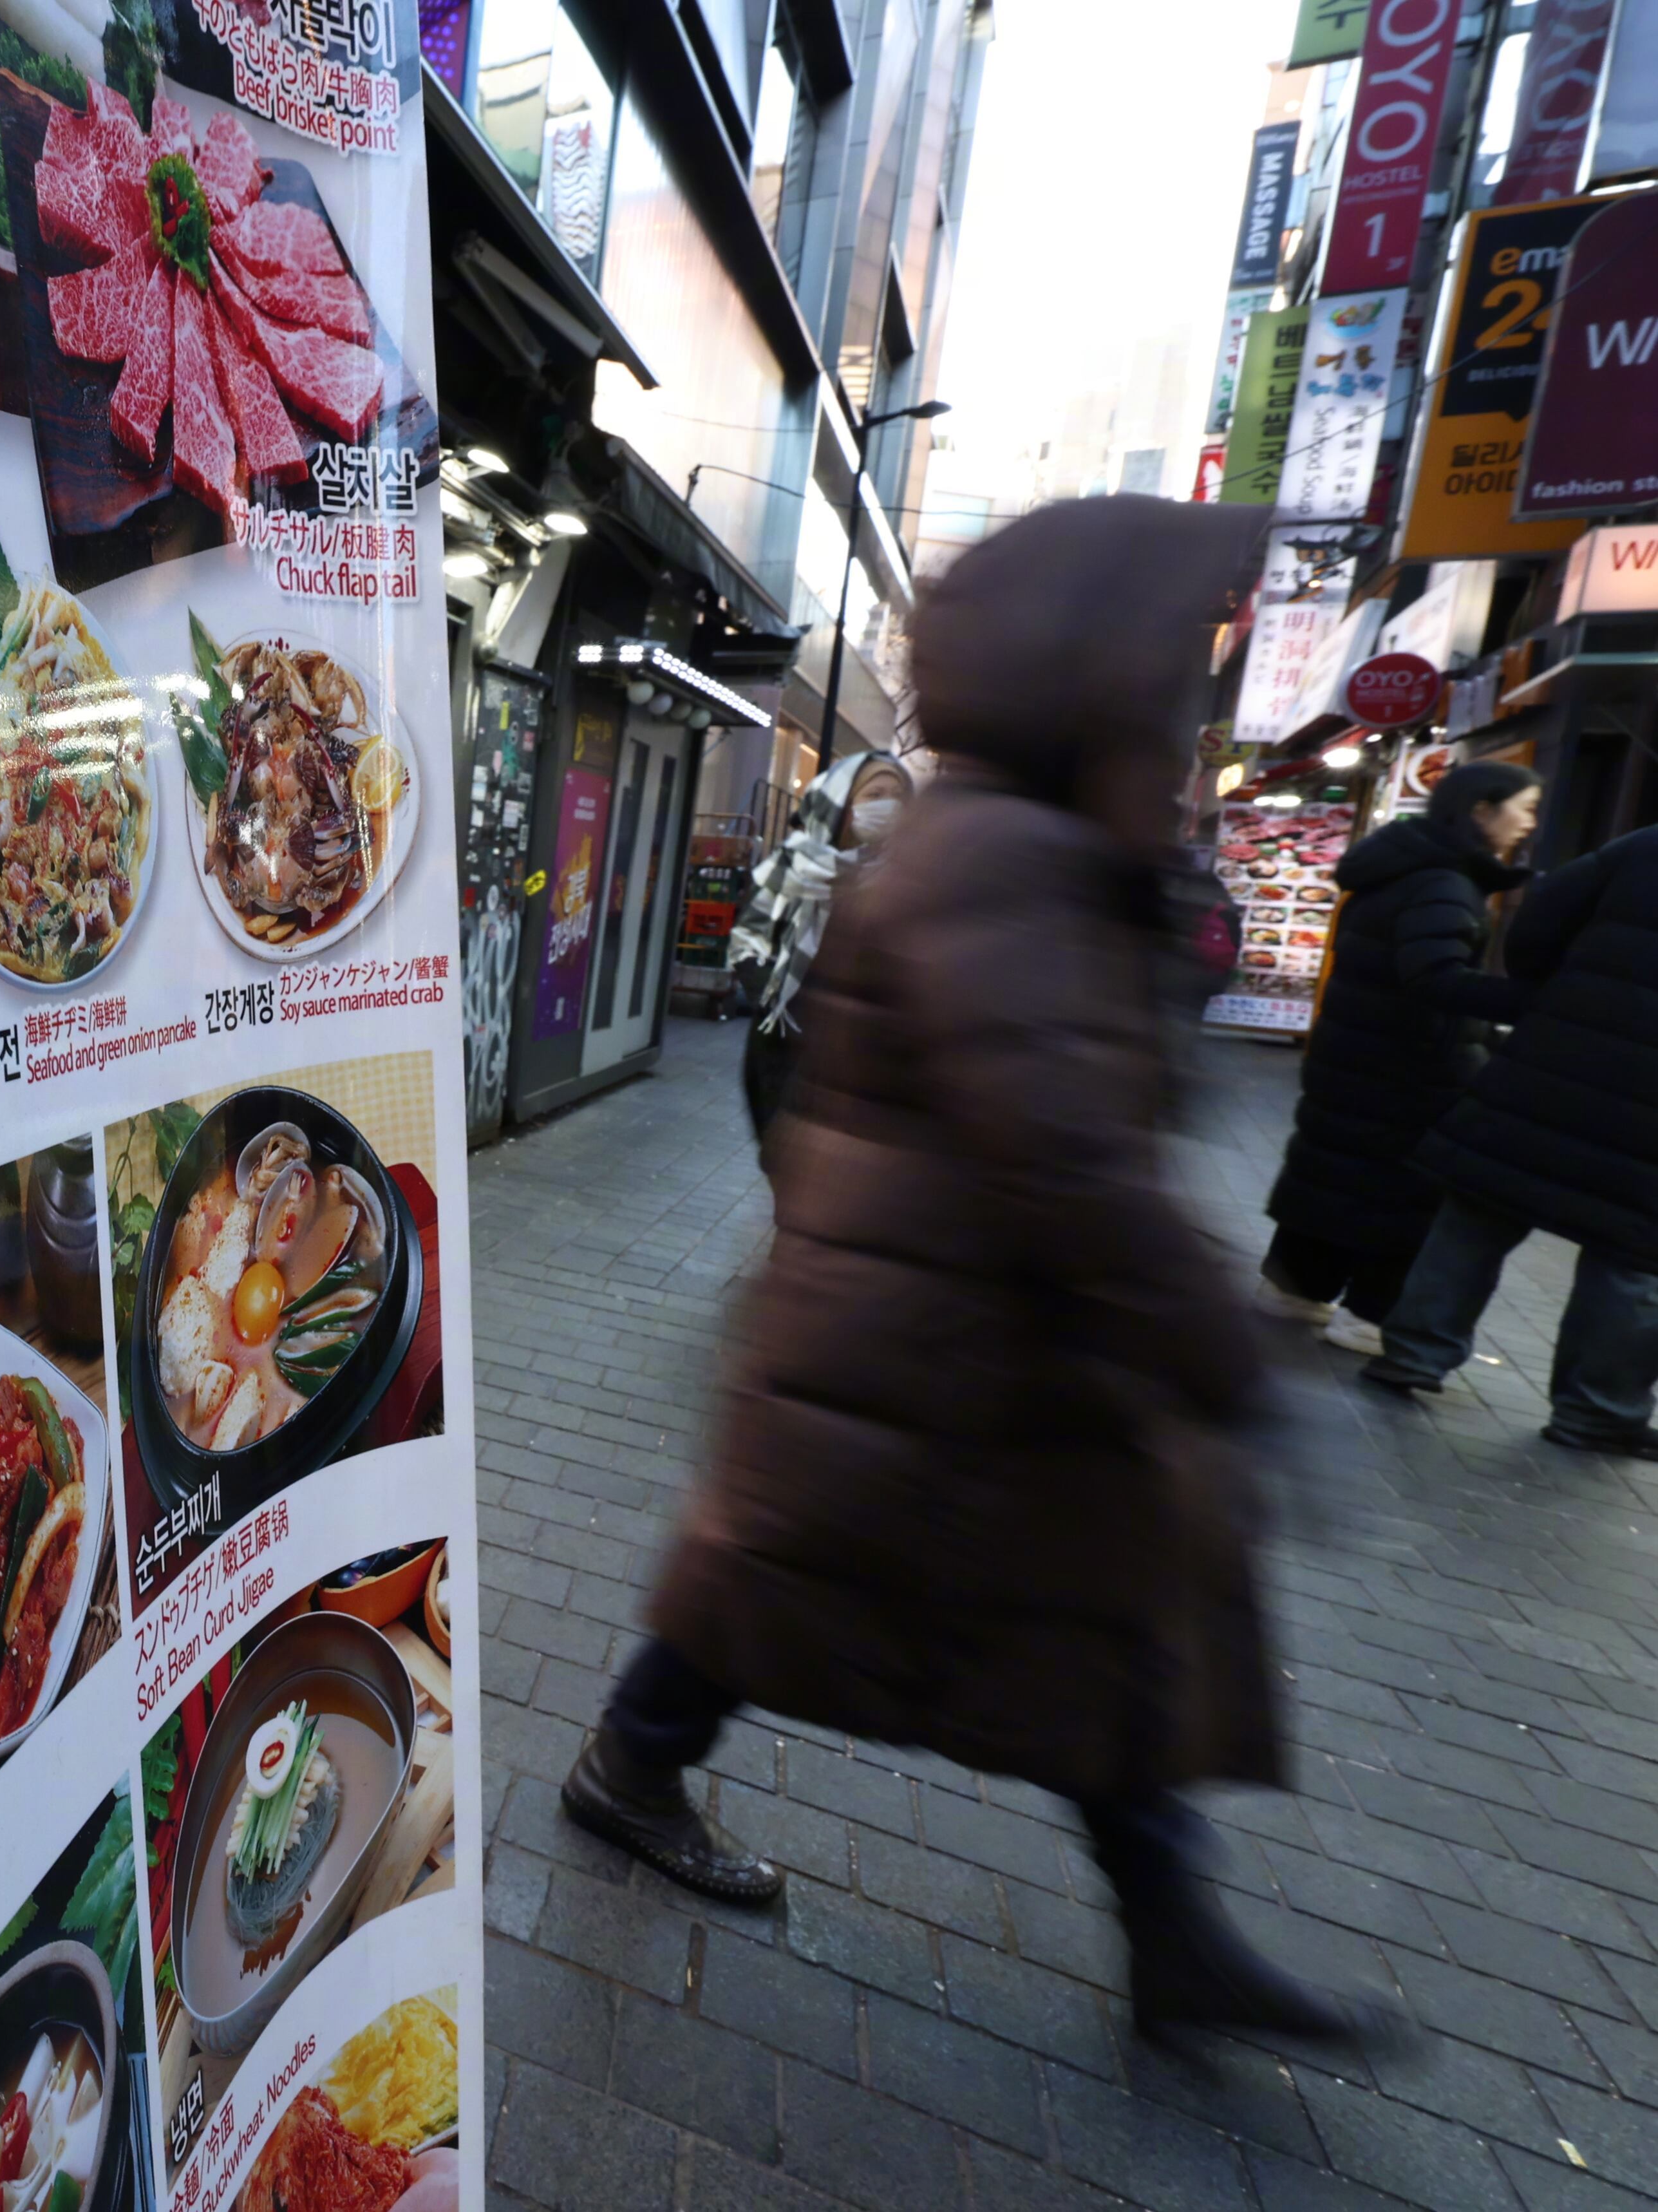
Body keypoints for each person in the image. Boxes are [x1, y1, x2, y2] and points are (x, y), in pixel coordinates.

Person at [560, 497, 1386, 2044]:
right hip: (936, 1337)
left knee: (1042, 1610)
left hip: (947, 1329)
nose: (1186, 717)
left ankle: (1170, 1927)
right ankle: (633, 1760)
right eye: (1168, 680)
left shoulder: (1006, 840)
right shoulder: (1003, 856)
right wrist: (1238, 1369)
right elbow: (1072, 1159)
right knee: (845, 1582)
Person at [1362, 823, 1658, 1455]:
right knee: (1634, 1252)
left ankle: (1413, 1352)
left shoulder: (1644, 844)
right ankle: (1596, 1410)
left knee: (1481, 1206)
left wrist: (1561, 987)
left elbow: (1543, 912)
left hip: (1563, 1052)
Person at [1258, 762, 1542, 1356]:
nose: (1530, 822)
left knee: (1338, 1169)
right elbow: (1433, 976)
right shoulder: (1443, 882)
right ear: (1481, 810)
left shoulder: (1403, 870)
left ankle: (1296, 1289)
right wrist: (1529, 1001)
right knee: (1406, 1192)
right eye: (1526, 806)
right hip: (1408, 1070)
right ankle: (1370, 1314)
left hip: (1361, 1057)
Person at [728, 750, 911, 1137]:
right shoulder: (789, 869)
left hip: (870, 1077)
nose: (888, 806)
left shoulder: (910, 882)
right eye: (874, 795)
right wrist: (794, 1014)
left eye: (897, 796)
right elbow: (748, 948)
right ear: (841, 804)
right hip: (787, 1061)